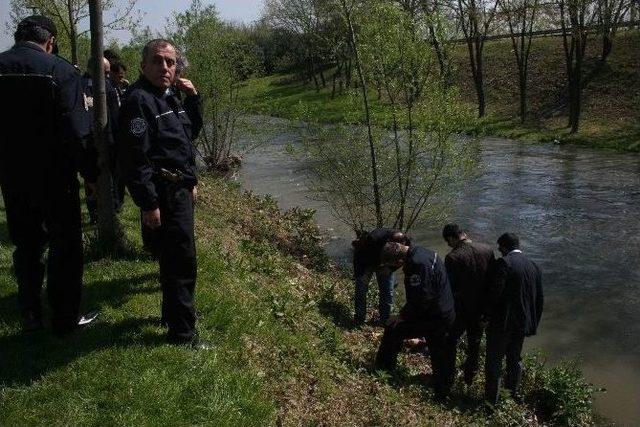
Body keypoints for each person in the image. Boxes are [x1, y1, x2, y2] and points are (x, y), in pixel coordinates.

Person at [0, 16, 98, 334]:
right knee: (65, 245)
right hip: (56, 176)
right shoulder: (61, 71)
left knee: (26, 244)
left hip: (13, 176)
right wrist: (90, 173)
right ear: (51, 41)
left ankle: (30, 313)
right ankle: (65, 317)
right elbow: (76, 130)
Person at [117, 39, 204, 347]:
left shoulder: (168, 97)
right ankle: (183, 335)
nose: (165, 67)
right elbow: (134, 159)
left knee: (172, 260)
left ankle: (172, 316)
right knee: (182, 262)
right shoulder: (139, 101)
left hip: (179, 188)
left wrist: (193, 97)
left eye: (171, 62)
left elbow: (187, 136)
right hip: (164, 193)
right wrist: (148, 202)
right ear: (143, 66)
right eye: (158, 61)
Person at [374, 241, 456, 399]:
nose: (395, 269)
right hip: (442, 311)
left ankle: (441, 394)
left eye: (393, 266)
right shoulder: (421, 251)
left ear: (399, 261)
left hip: (436, 316)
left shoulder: (417, 265)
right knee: (439, 352)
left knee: (395, 329)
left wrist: (401, 316)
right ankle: (443, 388)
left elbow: (421, 300)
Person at [485, 232, 543, 405]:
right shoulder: (534, 266)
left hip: (502, 324)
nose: (499, 251)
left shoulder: (505, 263)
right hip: (522, 324)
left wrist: (485, 316)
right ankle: (511, 395)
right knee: (514, 359)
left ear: (504, 247)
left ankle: (491, 402)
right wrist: (533, 323)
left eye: (499, 247)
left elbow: (495, 294)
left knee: (494, 362)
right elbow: (539, 298)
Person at [442, 223, 496, 385]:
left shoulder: (453, 257)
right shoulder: (487, 250)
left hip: (461, 309)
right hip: (481, 309)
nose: (448, 245)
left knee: (450, 340)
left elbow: (449, 288)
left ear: (452, 237)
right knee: (475, 344)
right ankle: (469, 379)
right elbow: (493, 282)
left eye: (447, 241)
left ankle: (448, 375)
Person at [82, 56, 123, 223]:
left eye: (108, 73)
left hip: (110, 141)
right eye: (105, 73)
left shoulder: (109, 87)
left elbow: (116, 116)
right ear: (92, 70)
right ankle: (96, 215)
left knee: (111, 180)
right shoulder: (80, 86)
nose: (107, 77)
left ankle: (110, 214)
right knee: (92, 181)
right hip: (90, 143)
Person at [352, 228, 410, 326]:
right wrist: (358, 273)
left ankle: (384, 321)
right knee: (361, 289)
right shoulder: (374, 239)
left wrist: (391, 268)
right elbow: (359, 254)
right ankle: (359, 319)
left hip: (387, 264)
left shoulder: (407, 243)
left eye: (400, 247)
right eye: (395, 247)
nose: (398, 248)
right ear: (389, 242)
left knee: (387, 292)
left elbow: (404, 260)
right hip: (367, 262)